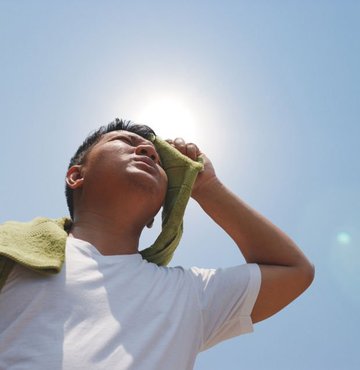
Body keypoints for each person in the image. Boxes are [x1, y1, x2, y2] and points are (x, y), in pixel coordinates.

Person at [0, 119, 314, 370]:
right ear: (76, 176)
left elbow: (294, 271)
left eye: (156, 157)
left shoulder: (189, 294)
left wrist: (208, 187)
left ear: (155, 215)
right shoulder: (15, 251)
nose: (148, 153)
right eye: (125, 142)